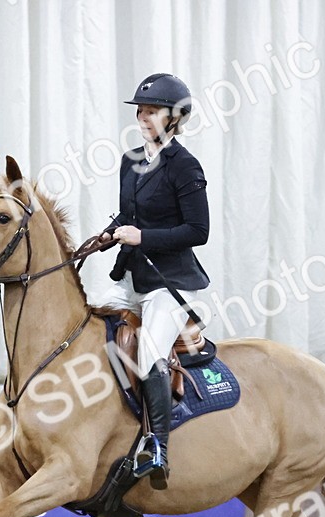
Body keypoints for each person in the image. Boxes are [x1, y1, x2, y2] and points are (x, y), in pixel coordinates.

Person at [97, 73, 210, 490]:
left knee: (148, 354)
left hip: (170, 281)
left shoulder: (186, 167)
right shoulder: (130, 160)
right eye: (140, 110)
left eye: (152, 110)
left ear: (175, 117)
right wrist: (110, 233)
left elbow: (198, 231)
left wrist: (143, 237)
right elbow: (130, 215)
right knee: (87, 326)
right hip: (132, 275)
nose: (143, 116)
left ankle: (157, 446)